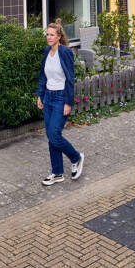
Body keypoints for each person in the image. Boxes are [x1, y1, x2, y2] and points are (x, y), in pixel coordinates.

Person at [36, 19, 84, 185]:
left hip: (60, 98)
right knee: (51, 135)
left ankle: (76, 157)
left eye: (52, 35)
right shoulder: (46, 52)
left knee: (54, 134)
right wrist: (40, 95)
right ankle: (57, 173)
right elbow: (43, 75)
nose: (48, 37)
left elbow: (70, 78)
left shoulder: (65, 52)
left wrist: (68, 102)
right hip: (48, 97)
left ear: (58, 37)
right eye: (47, 34)